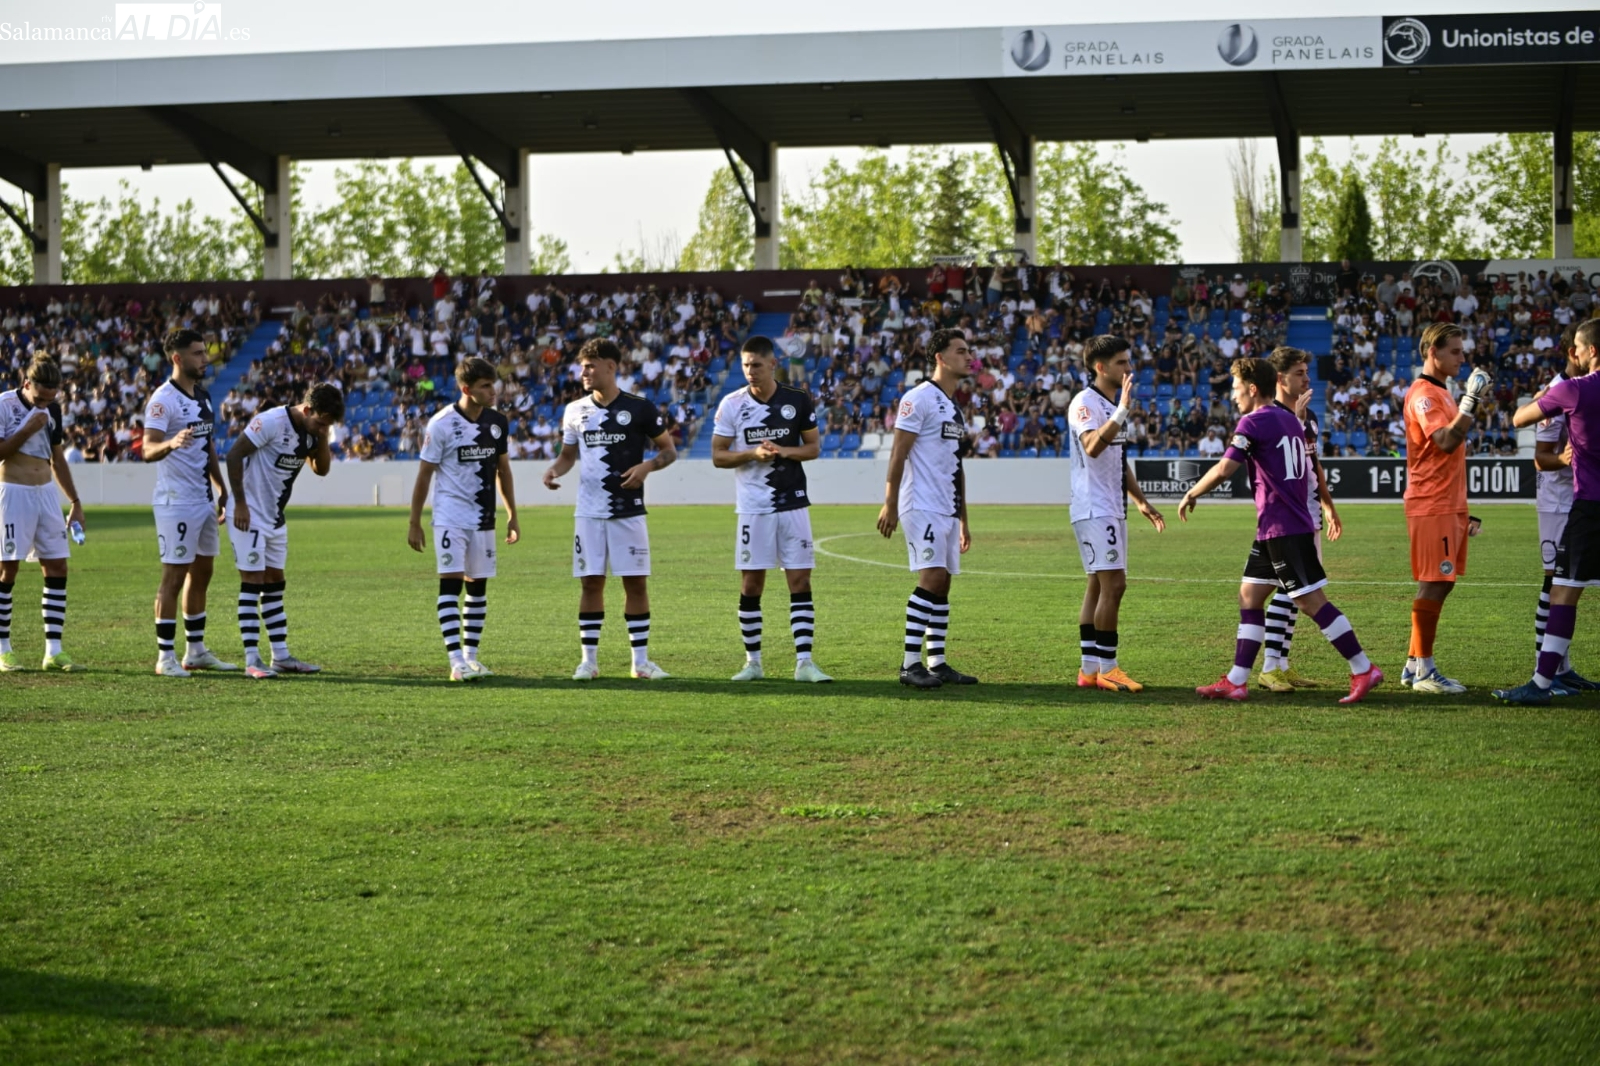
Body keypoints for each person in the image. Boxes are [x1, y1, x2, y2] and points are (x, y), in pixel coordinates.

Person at [1178, 357, 1382, 704]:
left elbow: (1226, 467)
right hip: (1277, 526)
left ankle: (1363, 668)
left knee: (1310, 601)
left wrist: (1192, 491)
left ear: (1252, 388)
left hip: (1283, 527)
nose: (1233, 395)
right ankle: (1237, 680)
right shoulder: (1291, 420)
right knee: (1250, 595)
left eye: (1236, 388)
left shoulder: (1253, 421)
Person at [544, 338, 677, 681]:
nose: (584, 372)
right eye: (582, 366)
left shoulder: (640, 408)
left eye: (590, 366)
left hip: (628, 511)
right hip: (588, 513)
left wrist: (647, 467)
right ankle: (588, 662)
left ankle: (640, 662)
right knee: (590, 584)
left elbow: (668, 452)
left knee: (635, 584)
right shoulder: (574, 410)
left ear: (611, 367)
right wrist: (553, 470)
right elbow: (567, 456)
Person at [710, 336, 832, 684]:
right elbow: (719, 455)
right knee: (751, 584)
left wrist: (780, 450)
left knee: (800, 579)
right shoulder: (731, 404)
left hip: (792, 502)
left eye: (757, 365)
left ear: (773, 364)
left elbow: (812, 448)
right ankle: (753, 663)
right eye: (746, 365)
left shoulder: (796, 400)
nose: (750, 372)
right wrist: (752, 454)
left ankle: (805, 663)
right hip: (753, 507)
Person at [1497, 320, 1600, 704]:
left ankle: (1542, 682)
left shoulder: (1572, 390)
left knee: (1562, 592)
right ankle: (1560, 673)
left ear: (1591, 351)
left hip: (1589, 504)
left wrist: (1547, 395)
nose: (1574, 351)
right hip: (1574, 501)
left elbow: (1518, 419)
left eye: (1578, 345)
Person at [406, 357, 520, 683]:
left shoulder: (497, 422)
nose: (493, 390)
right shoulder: (440, 424)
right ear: (467, 389)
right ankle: (455, 661)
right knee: (451, 583)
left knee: (478, 587)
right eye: (486, 386)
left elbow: (503, 471)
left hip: (484, 518)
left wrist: (512, 515)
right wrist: (414, 522)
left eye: (493, 384)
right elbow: (424, 475)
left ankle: (471, 657)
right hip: (450, 517)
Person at [877, 328, 977, 689]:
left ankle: (937, 662)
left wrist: (963, 518)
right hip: (921, 502)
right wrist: (890, 503)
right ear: (940, 357)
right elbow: (898, 452)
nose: (969, 357)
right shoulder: (917, 398)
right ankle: (909, 665)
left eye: (969, 351)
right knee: (931, 578)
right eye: (961, 351)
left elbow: (956, 463)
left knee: (944, 584)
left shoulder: (953, 406)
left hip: (946, 507)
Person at [225, 383, 345, 680]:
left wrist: (323, 436)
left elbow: (321, 470)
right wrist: (239, 503)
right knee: (252, 582)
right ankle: (252, 659)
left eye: (328, 424)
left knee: (275, 581)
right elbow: (234, 455)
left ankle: (280, 656)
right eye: (320, 421)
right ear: (307, 409)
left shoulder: (314, 431)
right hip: (248, 514)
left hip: (275, 518)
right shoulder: (271, 422)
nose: (322, 427)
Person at [1067, 335, 1165, 692]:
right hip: (1094, 507)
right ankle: (1109, 668)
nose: (1129, 368)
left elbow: (1117, 461)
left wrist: (1140, 500)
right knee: (1115, 585)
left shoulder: (1107, 405)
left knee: (1097, 584)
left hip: (1111, 507)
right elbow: (1092, 447)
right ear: (1101, 367)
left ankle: (1089, 670)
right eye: (1122, 363)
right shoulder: (1085, 403)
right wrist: (1123, 410)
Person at [1401, 322, 1492, 693]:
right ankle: (1425, 671)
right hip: (1431, 503)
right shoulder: (1425, 395)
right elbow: (1445, 441)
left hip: (1448, 504)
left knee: (1443, 583)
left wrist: (1463, 509)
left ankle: (1412, 664)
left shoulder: (1442, 393)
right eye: (1454, 351)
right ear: (1432, 353)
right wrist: (1471, 401)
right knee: (1434, 582)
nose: (1462, 357)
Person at [144, 328, 233, 677]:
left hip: (202, 499)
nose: (205, 358)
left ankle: (195, 651)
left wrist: (221, 486)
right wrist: (171, 443)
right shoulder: (163, 400)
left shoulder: (204, 396)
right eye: (198, 353)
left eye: (205, 352)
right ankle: (165, 657)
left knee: (203, 572)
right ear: (177, 358)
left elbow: (208, 445)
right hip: (175, 501)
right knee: (173, 577)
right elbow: (147, 448)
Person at [1258, 346, 1344, 692]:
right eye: (1299, 373)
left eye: (1307, 372)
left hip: (1308, 513)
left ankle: (1280, 664)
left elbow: (1312, 465)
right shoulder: (1270, 416)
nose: (1307, 379)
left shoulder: (1308, 417)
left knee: (1293, 591)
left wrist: (1327, 504)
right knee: (1294, 591)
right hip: (1285, 517)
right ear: (1280, 379)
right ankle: (1270, 667)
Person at [0, 355, 85, 672]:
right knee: (7, 570)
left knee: (57, 566)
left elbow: (57, 459)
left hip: (46, 493)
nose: (45, 404)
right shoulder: (5, 405)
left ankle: (54, 651)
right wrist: (26, 428)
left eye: (51, 399)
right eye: (40, 398)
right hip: (13, 492)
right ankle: (4, 649)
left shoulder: (53, 409)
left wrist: (75, 501)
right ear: (26, 384)